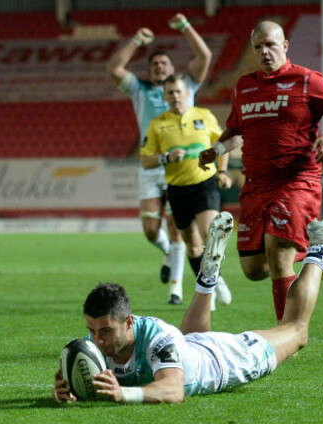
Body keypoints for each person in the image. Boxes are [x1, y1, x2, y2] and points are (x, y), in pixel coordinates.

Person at [52, 212, 323, 404]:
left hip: (228, 360)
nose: (98, 341)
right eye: (92, 330)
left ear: (128, 323)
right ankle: (207, 279)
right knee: (183, 344)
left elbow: (174, 392)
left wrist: (124, 394)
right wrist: (70, 391)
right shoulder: (99, 344)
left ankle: (320, 246)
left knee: (296, 331)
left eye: (105, 331)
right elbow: (94, 379)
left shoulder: (157, 336)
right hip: (188, 348)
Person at [198, 21, 323, 323]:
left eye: (270, 44)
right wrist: (217, 150)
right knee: (254, 269)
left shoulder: (308, 79)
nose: (264, 51)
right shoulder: (244, 86)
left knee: (279, 253)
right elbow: (235, 130)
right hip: (256, 186)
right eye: (258, 46)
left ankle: (287, 335)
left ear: (285, 46)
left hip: (296, 181)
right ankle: (318, 252)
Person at [106, 13, 212, 305]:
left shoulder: (185, 85)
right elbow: (114, 67)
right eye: (154, 64)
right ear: (150, 70)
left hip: (180, 165)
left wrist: (185, 27)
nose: (159, 67)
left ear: (172, 68)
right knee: (152, 231)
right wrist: (137, 40)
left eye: (164, 63)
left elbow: (204, 55)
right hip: (152, 163)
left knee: (179, 231)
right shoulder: (139, 89)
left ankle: (175, 291)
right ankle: (167, 252)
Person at [140, 74, 234, 306]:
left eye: (178, 91)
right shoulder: (158, 124)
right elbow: (145, 160)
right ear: (165, 96)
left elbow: (223, 143)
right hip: (177, 189)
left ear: (187, 93)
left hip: (205, 183)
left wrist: (222, 171)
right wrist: (165, 157)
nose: (175, 96)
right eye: (170, 92)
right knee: (192, 246)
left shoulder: (204, 116)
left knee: (209, 233)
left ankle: (213, 281)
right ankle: (211, 284)